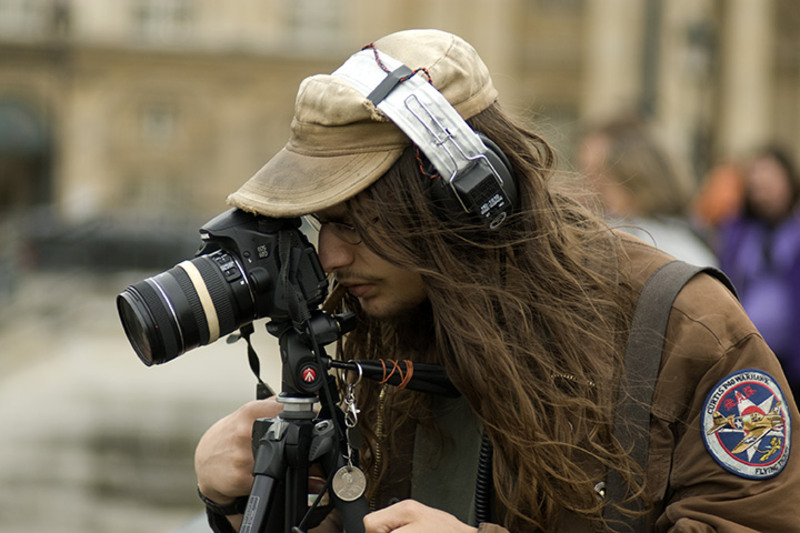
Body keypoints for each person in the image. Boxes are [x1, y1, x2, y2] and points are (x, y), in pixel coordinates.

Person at [193, 29, 800, 532]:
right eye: (323, 223)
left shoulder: (682, 326)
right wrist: (240, 497)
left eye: (358, 221)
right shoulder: (380, 329)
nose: (330, 256)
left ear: (464, 196)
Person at [716, 146, 800, 403]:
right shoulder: (736, 233)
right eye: (756, 186)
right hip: (749, 355)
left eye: (770, 184)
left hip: (792, 358)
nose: (762, 194)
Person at [577, 116, 719, 267]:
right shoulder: (596, 239)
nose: (588, 187)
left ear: (636, 178)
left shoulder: (677, 253)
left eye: (601, 175)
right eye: (585, 173)